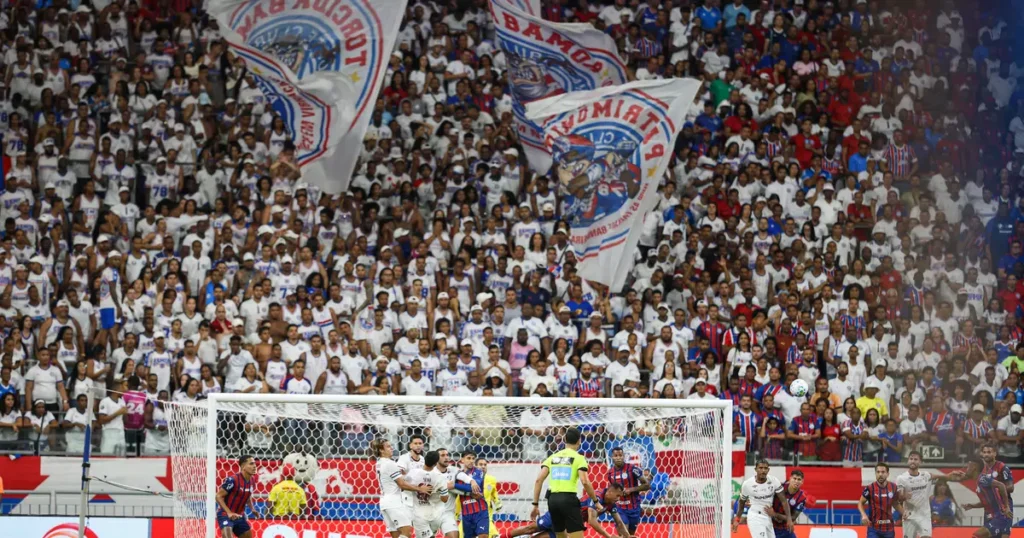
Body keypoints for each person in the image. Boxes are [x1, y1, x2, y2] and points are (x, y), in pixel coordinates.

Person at [532, 427, 601, 538]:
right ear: (579, 440)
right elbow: (585, 481)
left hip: (553, 500)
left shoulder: (552, 457)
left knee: (560, 535)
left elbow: (538, 480)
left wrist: (535, 505)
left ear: (565, 440)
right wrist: (595, 501)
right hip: (568, 500)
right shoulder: (579, 458)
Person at [505, 483, 631, 538]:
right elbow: (592, 521)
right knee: (531, 529)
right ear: (609, 492)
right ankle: (501, 536)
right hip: (561, 514)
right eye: (618, 496)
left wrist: (628, 536)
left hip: (568, 526)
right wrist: (609, 537)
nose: (618, 499)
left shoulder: (610, 503)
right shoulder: (596, 496)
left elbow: (619, 522)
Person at [950, 443, 1014, 538]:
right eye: (984, 452)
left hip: (1003, 507)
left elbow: (1010, 488)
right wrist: (973, 505)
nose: (986, 454)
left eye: (989, 452)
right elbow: (986, 499)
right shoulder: (982, 471)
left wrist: (994, 490)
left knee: (1003, 535)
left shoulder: (1001, 467)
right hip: (990, 510)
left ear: (995, 454)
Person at [372, 438, 431, 538]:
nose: (392, 448)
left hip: (384, 502)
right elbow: (402, 484)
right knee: (407, 531)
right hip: (394, 502)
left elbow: (397, 479)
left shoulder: (379, 463)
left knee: (397, 535)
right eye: (388, 446)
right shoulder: (390, 463)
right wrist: (420, 489)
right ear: (381, 450)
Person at [894, 451, 952, 538]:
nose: (913, 461)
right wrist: (904, 497)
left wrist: (948, 476)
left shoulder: (926, 475)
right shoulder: (901, 478)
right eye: (911, 459)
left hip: (924, 516)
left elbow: (937, 476)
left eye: (916, 459)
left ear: (920, 462)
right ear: (908, 461)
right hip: (909, 516)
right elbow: (898, 498)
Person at [733, 459, 792, 537]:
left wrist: (789, 519)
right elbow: (741, 502)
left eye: (765, 468)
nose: (763, 470)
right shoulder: (747, 484)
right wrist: (737, 519)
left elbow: (784, 501)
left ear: (768, 470)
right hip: (755, 516)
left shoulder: (774, 481)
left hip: (768, 517)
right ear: (756, 469)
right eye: (760, 468)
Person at [405, 450, 450, 538]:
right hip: (435, 515)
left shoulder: (413, 473)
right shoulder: (440, 477)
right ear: (436, 463)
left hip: (419, 514)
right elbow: (445, 499)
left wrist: (417, 488)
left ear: (424, 459)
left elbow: (402, 486)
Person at [606, 446, 649, 535]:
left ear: (624, 456)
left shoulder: (632, 469)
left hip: (634, 507)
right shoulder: (610, 473)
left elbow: (647, 485)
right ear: (612, 457)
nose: (618, 458)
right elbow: (612, 490)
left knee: (631, 534)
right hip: (619, 508)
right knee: (623, 531)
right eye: (616, 455)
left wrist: (631, 489)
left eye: (620, 455)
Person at [216, 455, 258, 538]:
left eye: (255, 464)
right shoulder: (232, 480)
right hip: (225, 515)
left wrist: (252, 508)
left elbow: (248, 495)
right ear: (243, 466)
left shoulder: (252, 480)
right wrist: (229, 513)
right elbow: (218, 496)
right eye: (251, 464)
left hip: (239, 516)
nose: (254, 466)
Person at [858, 463, 902, 538]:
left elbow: (895, 503)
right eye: (878, 472)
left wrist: (904, 512)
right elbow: (860, 503)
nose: (880, 474)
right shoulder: (870, 488)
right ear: (875, 474)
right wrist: (864, 515)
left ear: (888, 474)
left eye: (883, 472)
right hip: (873, 528)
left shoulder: (893, 487)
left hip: (889, 529)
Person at [771, 470, 807, 538]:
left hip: (785, 529)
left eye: (799, 479)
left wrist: (775, 515)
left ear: (802, 482)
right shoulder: (779, 487)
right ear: (790, 479)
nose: (796, 481)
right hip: (770, 525)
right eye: (794, 478)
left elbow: (793, 517)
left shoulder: (802, 498)